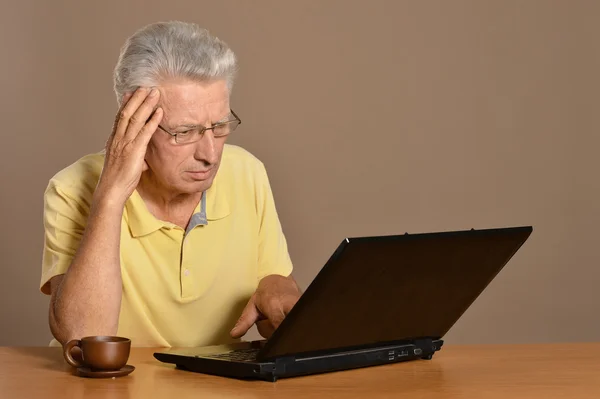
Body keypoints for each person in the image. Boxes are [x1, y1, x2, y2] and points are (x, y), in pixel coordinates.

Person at [39, 20, 301, 348]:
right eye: (185, 132)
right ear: (134, 121)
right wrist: (111, 194)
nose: (210, 154)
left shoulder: (247, 172)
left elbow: (274, 300)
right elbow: (84, 339)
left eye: (219, 125)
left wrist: (277, 290)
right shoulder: (70, 189)